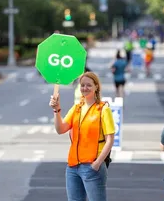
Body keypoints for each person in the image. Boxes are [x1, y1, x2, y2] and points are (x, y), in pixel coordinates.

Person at [49, 72, 115, 201]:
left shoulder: (103, 109)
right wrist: (56, 110)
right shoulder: (76, 108)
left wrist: (97, 163)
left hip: (92, 167)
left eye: (89, 85)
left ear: (96, 87)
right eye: (82, 85)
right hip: (73, 167)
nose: (85, 88)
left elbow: (110, 140)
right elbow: (60, 129)